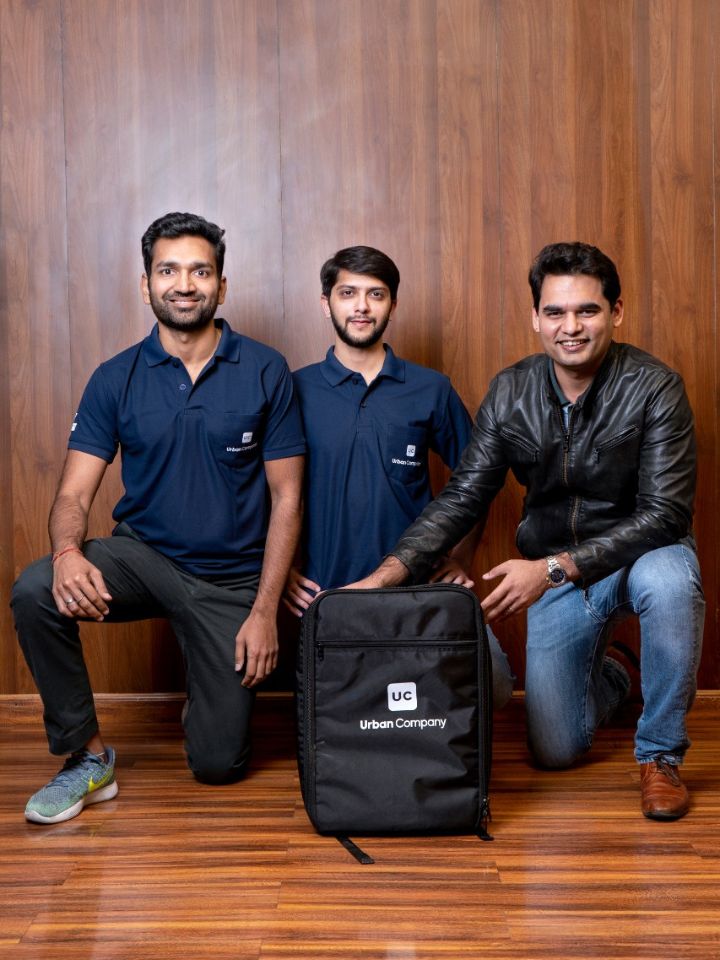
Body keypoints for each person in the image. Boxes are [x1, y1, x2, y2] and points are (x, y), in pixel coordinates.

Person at [348, 242, 704, 821]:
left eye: (587, 311)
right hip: (559, 574)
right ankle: (616, 673)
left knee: (672, 580)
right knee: (554, 749)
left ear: (616, 312)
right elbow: (463, 495)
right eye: (555, 312)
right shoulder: (511, 391)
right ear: (535, 316)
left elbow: (666, 514)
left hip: (638, 555)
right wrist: (385, 577)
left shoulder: (654, 387)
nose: (571, 327)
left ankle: (660, 755)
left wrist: (552, 568)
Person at [11, 212, 305, 824]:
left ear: (222, 285)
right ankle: (88, 758)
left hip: (230, 580)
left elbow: (287, 499)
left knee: (218, 764)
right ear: (146, 285)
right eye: (168, 271)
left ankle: (209, 693)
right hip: (143, 559)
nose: (185, 284)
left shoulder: (266, 369)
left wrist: (263, 611)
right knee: (36, 587)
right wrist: (67, 554)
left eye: (201, 271)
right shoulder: (114, 377)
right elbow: (73, 496)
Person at [283, 245, 512, 706]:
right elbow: (267, 493)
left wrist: (461, 559)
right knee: (347, 718)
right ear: (326, 303)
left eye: (376, 294)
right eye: (348, 293)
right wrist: (281, 571)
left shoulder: (430, 389)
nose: (362, 306)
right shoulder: (294, 389)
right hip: (329, 593)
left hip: (418, 591)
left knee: (497, 688)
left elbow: (479, 480)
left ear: (393, 304)